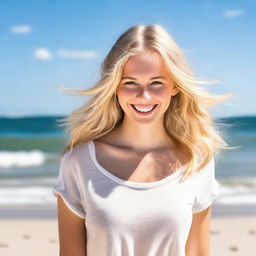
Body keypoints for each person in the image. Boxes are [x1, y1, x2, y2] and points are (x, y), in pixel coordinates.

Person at [53, 24, 234, 256]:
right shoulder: (79, 162)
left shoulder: (196, 161)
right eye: (130, 82)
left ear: (175, 86)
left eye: (156, 82)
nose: (144, 96)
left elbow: (198, 252)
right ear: (114, 86)